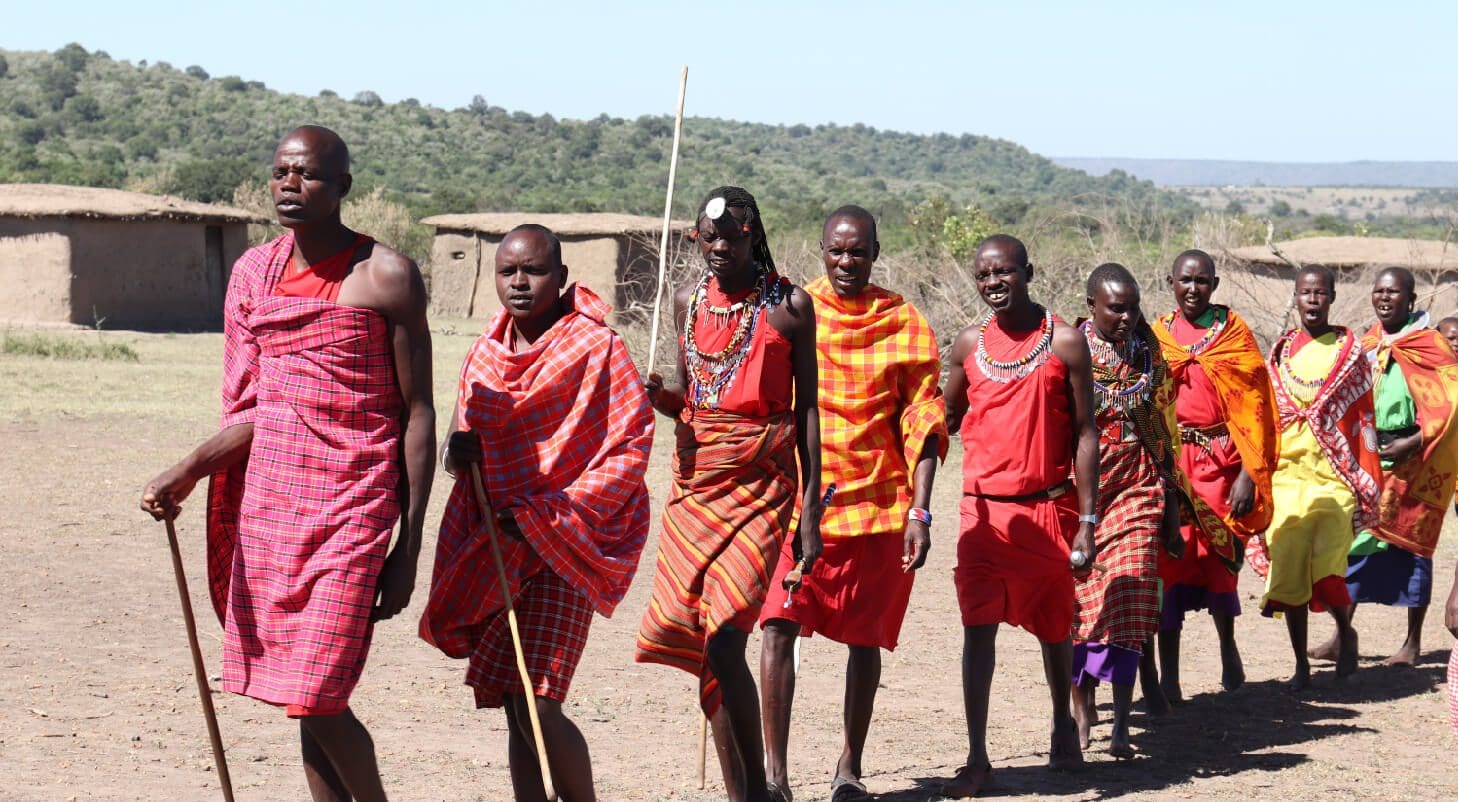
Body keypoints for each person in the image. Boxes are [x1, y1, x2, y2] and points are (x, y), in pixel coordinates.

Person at [140, 125, 435, 802]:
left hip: (355, 510)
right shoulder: (254, 275)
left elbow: (417, 411)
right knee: (307, 697)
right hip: (273, 510)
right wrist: (187, 470)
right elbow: (253, 409)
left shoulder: (385, 275)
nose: (291, 185)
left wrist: (410, 545)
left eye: (308, 175)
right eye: (281, 173)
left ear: (344, 188)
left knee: (318, 695)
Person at [420, 225, 654, 801]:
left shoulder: (597, 348)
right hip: (498, 543)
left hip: (567, 542)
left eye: (534, 271)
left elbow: (629, 447)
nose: (519, 282)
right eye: (508, 272)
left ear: (562, 278)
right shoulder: (485, 353)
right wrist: (458, 453)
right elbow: (460, 445)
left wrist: (547, 516)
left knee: (538, 698)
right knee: (511, 698)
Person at [635, 186, 823, 802]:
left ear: (753, 236)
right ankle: (743, 792)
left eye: (732, 236)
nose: (719, 247)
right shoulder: (690, 303)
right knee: (700, 639)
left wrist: (812, 507)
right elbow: (693, 401)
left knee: (725, 636)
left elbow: (808, 409)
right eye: (708, 237)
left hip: (764, 486)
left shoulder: (789, 307)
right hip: (697, 484)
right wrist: (658, 397)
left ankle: (762, 788)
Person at [758, 207, 946, 802]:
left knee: (865, 639)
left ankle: (848, 768)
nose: (846, 262)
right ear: (820, 250)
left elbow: (923, 418)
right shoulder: (793, 311)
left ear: (875, 250)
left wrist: (920, 511)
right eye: (836, 252)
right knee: (777, 627)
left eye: (858, 251)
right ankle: (775, 777)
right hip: (798, 502)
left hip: (878, 506)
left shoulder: (903, 320)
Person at [939, 234, 1099, 797]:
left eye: (1003, 273)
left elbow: (1085, 434)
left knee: (1055, 631)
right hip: (982, 517)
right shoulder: (966, 346)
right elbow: (945, 418)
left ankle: (1062, 722)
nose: (993, 284)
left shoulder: (1067, 344)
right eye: (983, 276)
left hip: (1047, 510)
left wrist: (1086, 520)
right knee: (976, 632)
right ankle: (978, 758)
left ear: (1028, 271)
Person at [1071, 263, 1194, 758]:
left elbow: (1165, 436)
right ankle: (1081, 717)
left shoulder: (1150, 354)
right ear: (1092, 307)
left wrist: (1169, 514)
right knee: (1083, 609)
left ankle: (1122, 722)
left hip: (1140, 487)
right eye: (1115, 308)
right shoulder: (1068, 352)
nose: (1126, 317)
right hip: (1084, 492)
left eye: (1132, 307)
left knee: (1133, 597)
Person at [1147, 250, 1278, 702]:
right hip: (1173, 467)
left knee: (1222, 565)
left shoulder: (1234, 333)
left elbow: (1257, 408)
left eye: (1202, 281)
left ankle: (1228, 647)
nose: (1193, 289)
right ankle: (1170, 676)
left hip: (1223, 463)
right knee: (1168, 566)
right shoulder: (1157, 335)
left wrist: (1248, 473)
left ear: (1215, 284)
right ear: (1170, 281)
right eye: (1185, 280)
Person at [1311, 268, 1458, 667]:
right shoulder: (1369, 341)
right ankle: (1342, 636)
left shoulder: (1430, 346)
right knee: (1355, 543)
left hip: (1417, 459)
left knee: (1413, 547)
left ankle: (1411, 644)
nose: (1385, 298)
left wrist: (1411, 442)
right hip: (1371, 456)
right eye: (1379, 291)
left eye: (1394, 292)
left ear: (1411, 299)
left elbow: (1449, 404)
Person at [1261, 265, 1380, 690]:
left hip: (1335, 477)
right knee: (1290, 571)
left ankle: (1345, 633)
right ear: (1294, 297)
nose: (1312, 300)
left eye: (1320, 293)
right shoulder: (1279, 353)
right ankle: (1300, 664)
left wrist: (1364, 474)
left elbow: (1362, 414)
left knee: (1328, 568)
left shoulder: (1350, 352)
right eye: (1305, 292)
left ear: (1332, 297)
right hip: (1288, 476)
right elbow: (1268, 415)